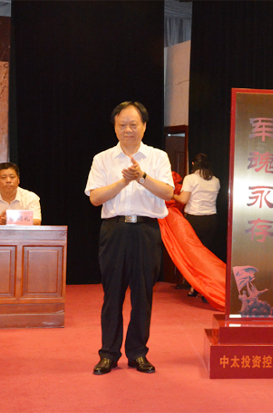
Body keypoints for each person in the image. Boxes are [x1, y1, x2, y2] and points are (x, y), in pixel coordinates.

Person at [85, 101, 174, 375]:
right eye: (122, 125)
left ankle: (138, 353)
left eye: (133, 124)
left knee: (143, 295)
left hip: (146, 231)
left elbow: (168, 193)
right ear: (115, 128)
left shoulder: (158, 157)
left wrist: (142, 177)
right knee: (112, 295)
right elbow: (95, 198)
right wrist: (124, 181)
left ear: (144, 126)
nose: (128, 130)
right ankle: (108, 354)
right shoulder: (102, 159)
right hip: (114, 231)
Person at [173, 153, 220, 297]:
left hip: (195, 220)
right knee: (206, 255)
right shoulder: (216, 180)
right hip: (211, 220)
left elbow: (183, 199)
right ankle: (207, 288)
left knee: (194, 256)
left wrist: (171, 194)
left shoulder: (190, 178)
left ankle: (196, 286)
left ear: (193, 164)